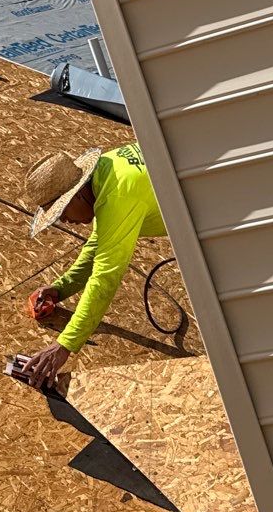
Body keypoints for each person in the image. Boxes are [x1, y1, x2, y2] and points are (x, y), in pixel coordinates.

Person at [18, 141, 165, 389]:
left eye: (61, 210)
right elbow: (97, 245)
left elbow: (105, 278)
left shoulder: (117, 196)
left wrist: (64, 345)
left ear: (77, 193)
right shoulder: (105, 172)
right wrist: (60, 288)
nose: (63, 219)